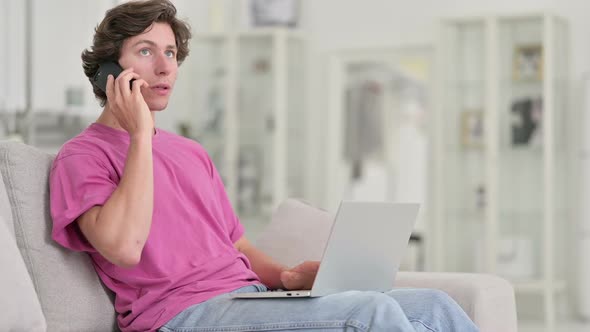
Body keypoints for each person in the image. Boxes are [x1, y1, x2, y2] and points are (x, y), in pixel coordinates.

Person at [49, 1, 479, 331]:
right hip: (182, 315)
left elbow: (238, 247)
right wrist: (140, 136)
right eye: (146, 52)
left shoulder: (191, 152)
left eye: (171, 53)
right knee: (372, 313)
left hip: (248, 298)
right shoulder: (82, 156)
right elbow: (123, 247)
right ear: (109, 71)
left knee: (437, 305)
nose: (165, 68)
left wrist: (288, 276)